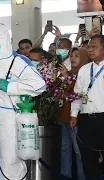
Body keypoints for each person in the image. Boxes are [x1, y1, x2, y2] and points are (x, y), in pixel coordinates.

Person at [0, 23, 45, 180]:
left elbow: (39, 85)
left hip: (10, 117)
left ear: (3, 39)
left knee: (10, 161)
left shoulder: (18, 61)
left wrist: (11, 87)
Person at [70, 34, 104, 180]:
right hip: (86, 120)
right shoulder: (84, 69)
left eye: (94, 47)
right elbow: (77, 93)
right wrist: (73, 114)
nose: (90, 50)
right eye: (89, 47)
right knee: (87, 157)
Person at [53, 47, 89, 180]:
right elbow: (57, 89)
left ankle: (82, 176)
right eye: (72, 55)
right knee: (65, 149)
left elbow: (77, 94)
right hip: (64, 117)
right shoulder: (69, 73)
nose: (73, 58)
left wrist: (67, 76)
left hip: (76, 117)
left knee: (78, 150)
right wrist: (57, 75)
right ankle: (65, 175)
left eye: (77, 56)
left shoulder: (85, 74)